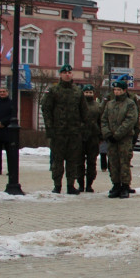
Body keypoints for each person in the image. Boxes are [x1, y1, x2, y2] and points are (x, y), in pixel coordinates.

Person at [41, 63, 88, 194]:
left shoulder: (78, 92)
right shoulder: (54, 91)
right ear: (60, 75)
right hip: (58, 132)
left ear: (72, 74)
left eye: (69, 73)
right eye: (64, 73)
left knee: (73, 161)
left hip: (74, 133)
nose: (67, 75)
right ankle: (57, 185)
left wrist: (84, 129)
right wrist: (49, 128)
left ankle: (70, 185)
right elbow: (46, 109)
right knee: (57, 160)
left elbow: (84, 112)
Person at [100, 81, 138, 199]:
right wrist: (107, 133)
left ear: (124, 91)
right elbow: (104, 119)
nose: (116, 92)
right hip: (111, 139)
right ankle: (116, 185)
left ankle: (125, 186)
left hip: (124, 139)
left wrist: (117, 134)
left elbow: (130, 121)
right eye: (115, 90)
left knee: (124, 162)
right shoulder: (110, 104)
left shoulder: (130, 104)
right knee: (113, 163)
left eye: (119, 90)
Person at [80, 85, 102, 192]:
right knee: (79, 162)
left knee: (91, 163)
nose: (88, 94)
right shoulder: (78, 105)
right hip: (80, 137)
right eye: (86, 92)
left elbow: (101, 121)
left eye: (90, 92)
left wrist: (100, 135)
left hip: (93, 138)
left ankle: (89, 184)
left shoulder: (98, 106)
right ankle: (80, 184)